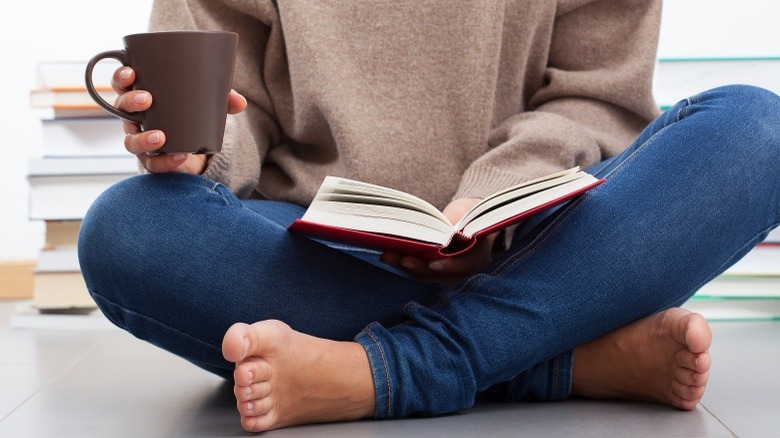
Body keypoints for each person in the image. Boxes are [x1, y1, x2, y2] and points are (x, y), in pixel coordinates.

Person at [77, 0, 779, 433]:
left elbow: (599, 97)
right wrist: (199, 151)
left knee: (759, 129)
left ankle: (388, 370)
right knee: (128, 229)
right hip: (313, 243)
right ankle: (561, 355)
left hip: (539, 233)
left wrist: (495, 196)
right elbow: (236, 107)